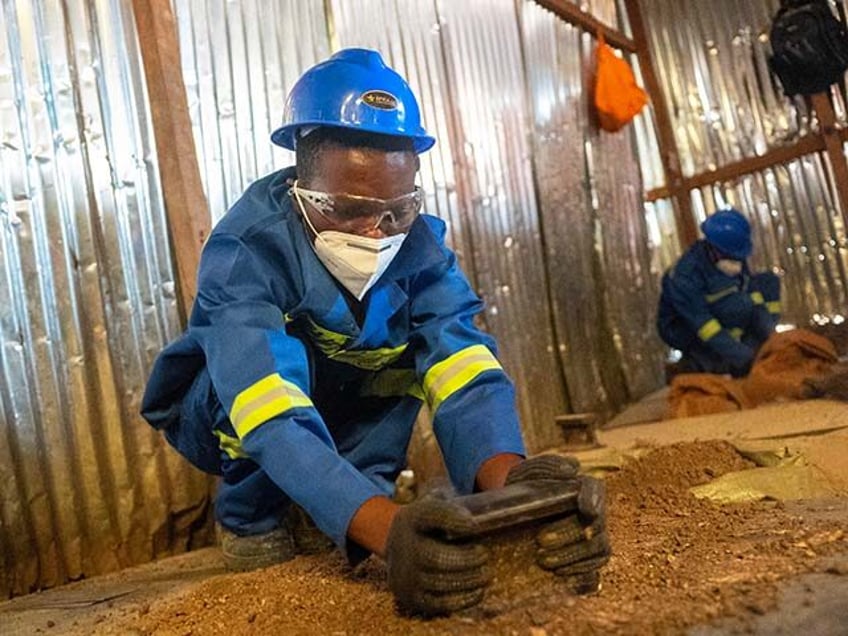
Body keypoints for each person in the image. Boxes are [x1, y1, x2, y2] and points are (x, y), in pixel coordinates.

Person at [141, 48, 609, 616]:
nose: (373, 232)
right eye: (345, 208)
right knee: (251, 385)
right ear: (300, 183)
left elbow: (466, 374)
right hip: (228, 413)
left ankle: (351, 499)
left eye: (394, 210)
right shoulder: (244, 251)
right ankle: (252, 518)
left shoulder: (423, 251)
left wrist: (515, 490)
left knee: (399, 363)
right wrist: (394, 537)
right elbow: (269, 414)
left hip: (340, 403)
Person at [657, 208, 781, 378]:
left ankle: (746, 349)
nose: (737, 261)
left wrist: (772, 337)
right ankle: (703, 362)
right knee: (738, 306)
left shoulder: (732, 253)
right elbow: (703, 323)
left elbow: (752, 292)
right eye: (731, 256)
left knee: (768, 282)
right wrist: (746, 359)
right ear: (713, 248)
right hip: (684, 326)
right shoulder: (684, 276)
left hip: (720, 309)